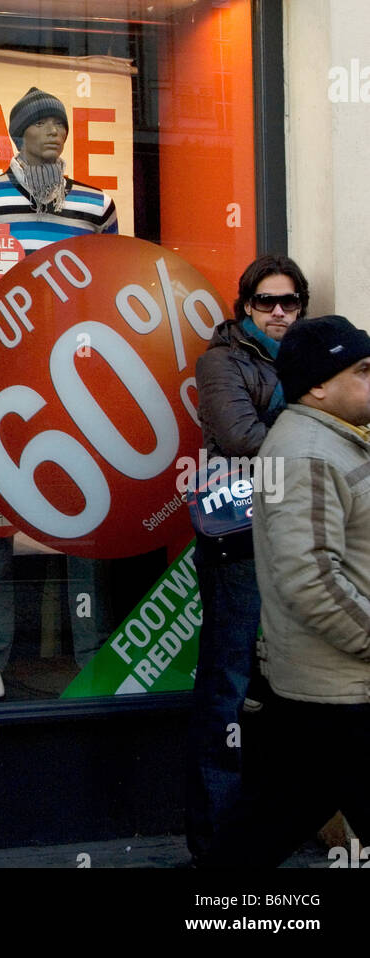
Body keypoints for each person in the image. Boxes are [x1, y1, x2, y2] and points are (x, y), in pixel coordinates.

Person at [0, 86, 118, 696]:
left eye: (60, 126)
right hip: (7, 380)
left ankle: (91, 648)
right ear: (17, 134)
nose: (54, 134)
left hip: (79, 380)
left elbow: (110, 285)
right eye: (41, 125)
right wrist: (6, 337)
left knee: (85, 509)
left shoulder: (95, 204)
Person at [202, 316, 370, 866]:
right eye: (364, 371)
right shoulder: (308, 455)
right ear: (320, 384)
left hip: (332, 693)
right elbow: (312, 580)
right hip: (340, 694)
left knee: (266, 825)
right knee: (266, 826)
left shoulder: (336, 440)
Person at [186, 253, 308, 865]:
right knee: (229, 681)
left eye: (290, 302)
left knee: (290, 685)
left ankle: (270, 832)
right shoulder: (222, 360)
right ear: (246, 307)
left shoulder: (311, 355)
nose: (280, 313)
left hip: (299, 531)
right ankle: (216, 844)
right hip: (240, 536)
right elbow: (239, 438)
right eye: (268, 302)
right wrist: (314, 440)